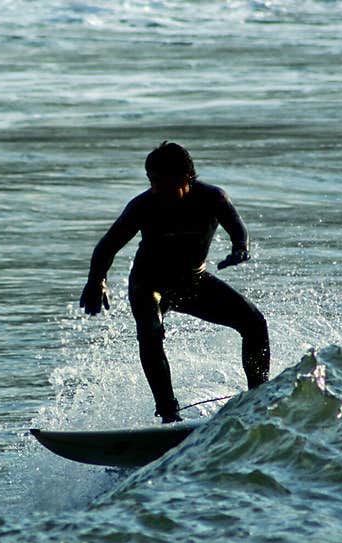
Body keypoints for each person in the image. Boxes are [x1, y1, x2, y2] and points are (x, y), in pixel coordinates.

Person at [79, 142, 270, 423]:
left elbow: (237, 228)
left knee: (254, 322)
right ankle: (168, 413)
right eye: (151, 181)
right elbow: (108, 245)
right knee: (151, 334)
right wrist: (97, 281)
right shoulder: (143, 206)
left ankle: (259, 398)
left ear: (185, 178)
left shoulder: (213, 198)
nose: (156, 189)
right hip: (149, 284)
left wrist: (240, 248)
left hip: (194, 282)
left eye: (162, 181)